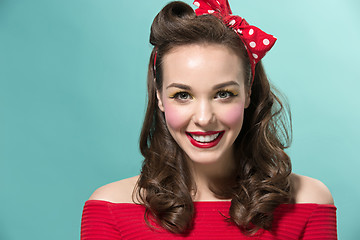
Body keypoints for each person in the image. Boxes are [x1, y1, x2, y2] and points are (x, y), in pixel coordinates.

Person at [81, 0, 337, 239]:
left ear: (248, 92)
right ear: (159, 97)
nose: (204, 118)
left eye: (223, 94)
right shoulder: (110, 209)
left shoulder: (309, 202)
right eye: (182, 95)